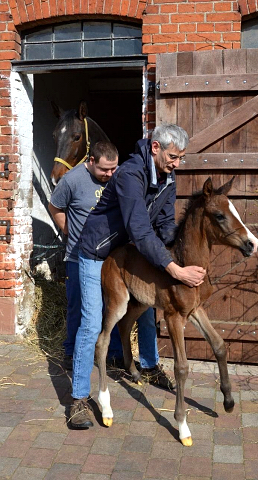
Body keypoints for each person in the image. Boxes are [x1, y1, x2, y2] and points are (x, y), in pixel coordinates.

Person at [70, 124, 206, 428]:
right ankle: (79, 399)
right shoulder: (131, 174)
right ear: (156, 148)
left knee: (147, 307)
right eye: (173, 156)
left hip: (128, 248)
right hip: (97, 250)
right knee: (92, 322)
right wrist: (174, 269)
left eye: (182, 158)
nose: (177, 163)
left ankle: (148, 365)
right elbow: (140, 229)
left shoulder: (168, 176)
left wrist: (183, 253)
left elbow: (166, 225)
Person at [48, 141, 165, 382]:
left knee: (109, 307)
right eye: (104, 170)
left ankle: (113, 355)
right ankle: (72, 353)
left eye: (114, 169)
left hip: (111, 256)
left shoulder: (120, 178)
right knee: (78, 307)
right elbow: (55, 206)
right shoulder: (72, 180)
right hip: (79, 254)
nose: (110, 174)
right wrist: (70, 232)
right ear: (90, 161)